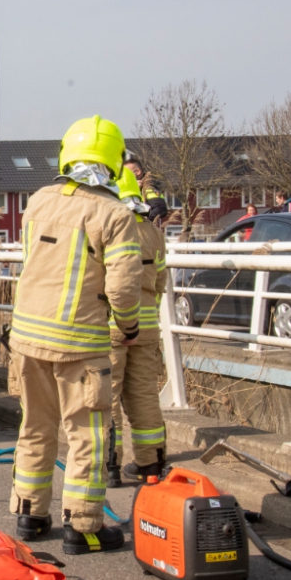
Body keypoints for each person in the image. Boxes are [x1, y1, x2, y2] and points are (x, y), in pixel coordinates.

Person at [8, 115, 143, 555]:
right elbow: (123, 287)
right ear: (115, 163)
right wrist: (129, 326)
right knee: (88, 434)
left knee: (35, 426)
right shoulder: (115, 214)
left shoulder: (38, 200)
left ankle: (29, 513)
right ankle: (82, 527)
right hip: (79, 344)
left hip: (27, 338)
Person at [107, 167, 169, 488]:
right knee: (145, 395)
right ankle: (151, 464)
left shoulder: (111, 228)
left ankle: (111, 466)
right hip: (147, 327)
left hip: (113, 326)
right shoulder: (154, 233)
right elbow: (160, 282)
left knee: (108, 397)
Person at [123, 154, 168, 224]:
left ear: (138, 172)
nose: (125, 176)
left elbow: (159, 208)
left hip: (140, 230)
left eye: (127, 173)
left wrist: (145, 221)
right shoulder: (127, 188)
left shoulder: (148, 187)